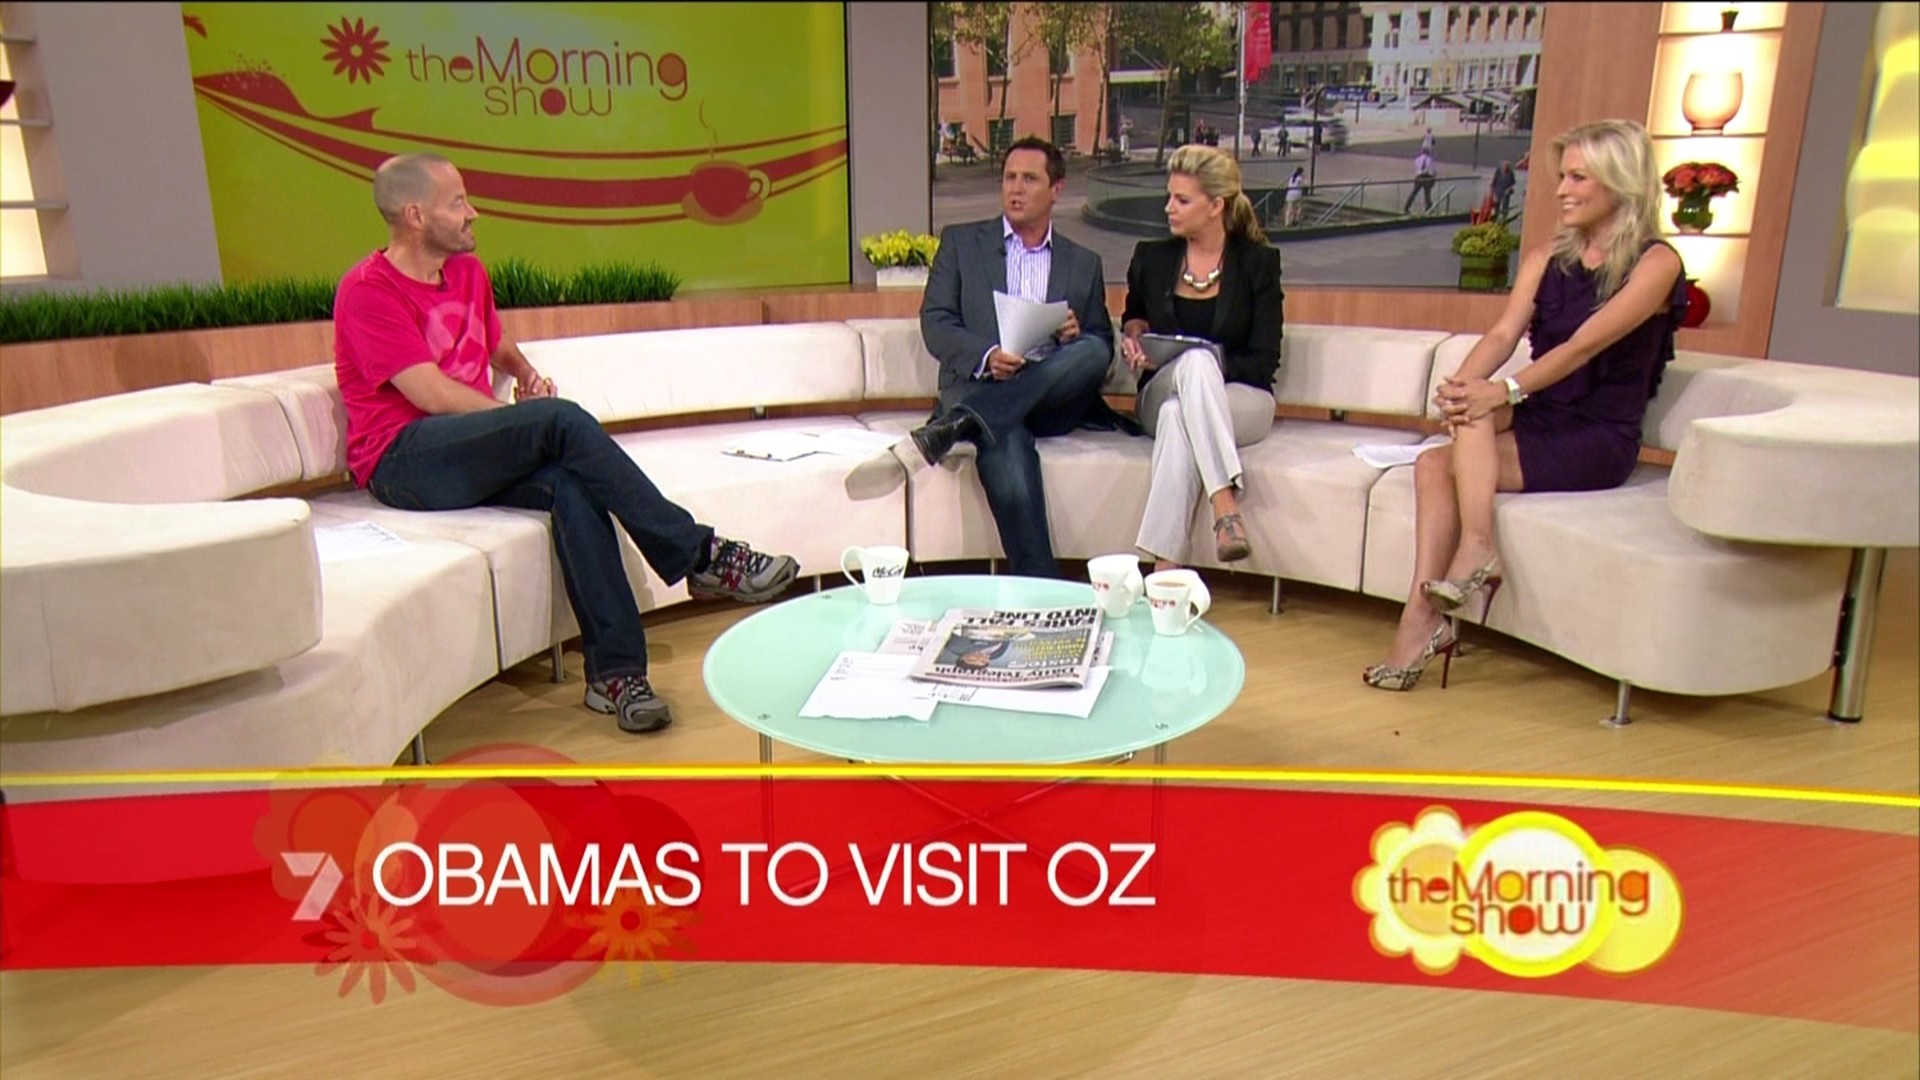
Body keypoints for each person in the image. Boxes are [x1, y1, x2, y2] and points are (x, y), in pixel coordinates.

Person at [334, 152, 801, 734]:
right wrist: (527, 420)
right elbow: (428, 393)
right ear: (415, 216)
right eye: (457, 203)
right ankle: (700, 556)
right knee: (559, 424)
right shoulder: (368, 290)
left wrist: (525, 375)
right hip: (403, 459)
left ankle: (616, 676)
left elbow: (494, 343)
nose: (473, 212)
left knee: (571, 486)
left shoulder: (467, 273)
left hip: (464, 450)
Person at [1364, 119, 1686, 692]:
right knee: (1436, 457)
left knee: (1469, 423)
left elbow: (1584, 345)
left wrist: (1504, 390)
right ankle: (1422, 612)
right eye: (1562, 177)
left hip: (1597, 435)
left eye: (1578, 178)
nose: (1561, 190)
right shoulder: (1546, 258)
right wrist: (1461, 385)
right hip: (1543, 412)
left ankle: (1474, 551)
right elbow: (1502, 334)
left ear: (1620, 182)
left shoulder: (1656, 264)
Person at [843, 136, 1115, 579]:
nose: (1016, 188)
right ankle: (1041, 590)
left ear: (1057, 189)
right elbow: (936, 320)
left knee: (1094, 349)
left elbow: (1101, 342)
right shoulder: (962, 243)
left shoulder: (1083, 263)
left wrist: (1075, 333)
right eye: (1009, 177)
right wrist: (987, 356)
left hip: (1051, 400)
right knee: (1003, 435)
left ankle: (961, 422)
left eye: (1029, 179)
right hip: (981, 382)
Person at [1116, 145, 1284, 571]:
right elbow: (1134, 316)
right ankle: (1224, 505)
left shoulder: (1258, 263)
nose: (1168, 208)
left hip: (1241, 400)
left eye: (1182, 200)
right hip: (1159, 389)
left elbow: (1264, 362)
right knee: (1186, 378)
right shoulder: (1152, 258)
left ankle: (1164, 571)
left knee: (1183, 402)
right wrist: (1133, 335)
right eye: (1169, 197)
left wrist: (1206, 363)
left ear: (1216, 206)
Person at [1404, 146, 1437, 214]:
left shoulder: (1417, 159)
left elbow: (1417, 167)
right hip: (1426, 176)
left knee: (1414, 193)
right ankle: (1428, 208)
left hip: (1419, 176)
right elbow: (1431, 169)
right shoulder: (1429, 159)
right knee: (1427, 194)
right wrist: (1434, 176)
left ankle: (1407, 207)